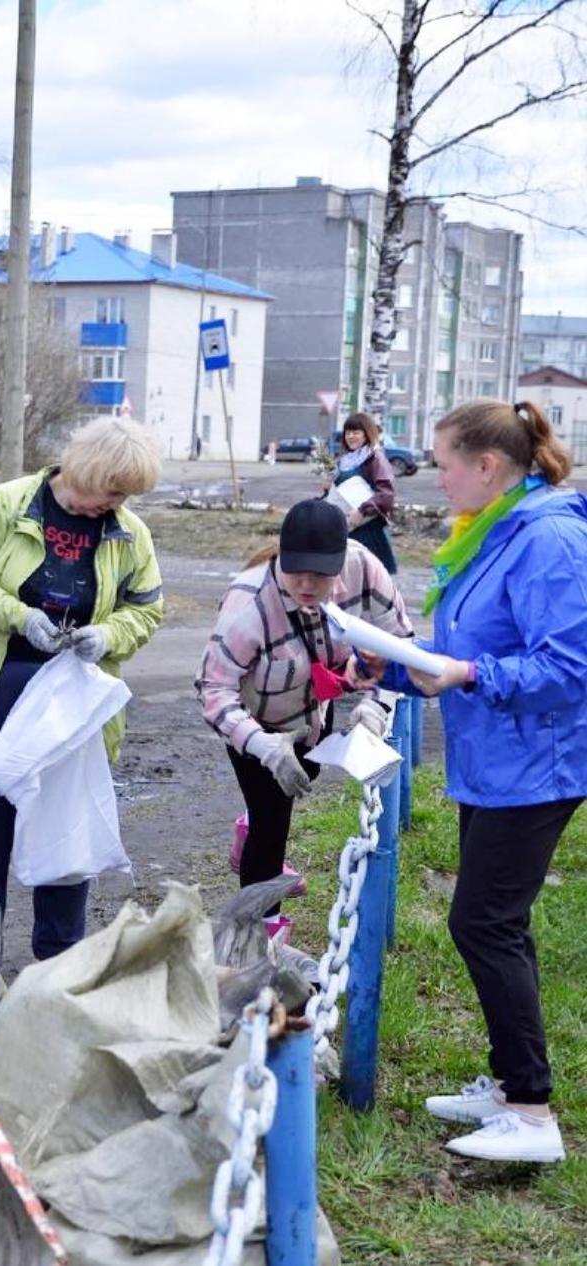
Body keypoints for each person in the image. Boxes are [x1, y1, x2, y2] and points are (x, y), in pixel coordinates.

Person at [359, 398, 586, 1164]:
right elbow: (472, 647)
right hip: (497, 759)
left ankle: (530, 1113)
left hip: (539, 765)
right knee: (492, 923)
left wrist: (466, 672)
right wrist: (394, 663)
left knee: (484, 924)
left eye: (445, 464)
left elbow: (567, 668)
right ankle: (510, 1083)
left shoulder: (548, 538)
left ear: (488, 466)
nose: (437, 480)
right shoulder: (494, 530)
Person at [0, 417, 165, 960]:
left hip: (74, 709)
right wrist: (18, 617)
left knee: (67, 840)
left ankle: (59, 967)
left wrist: (107, 634)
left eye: (126, 495)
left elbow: (148, 609)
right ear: (84, 470)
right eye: (112, 490)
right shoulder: (9, 504)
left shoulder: (130, 534)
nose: (115, 503)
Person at [196, 499, 411, 926]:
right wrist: (265, 748)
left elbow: (400, 646)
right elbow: (213, 690)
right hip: (258, 721)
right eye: (297, 571)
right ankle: (261, 934)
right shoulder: (248, 605)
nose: (308, 584)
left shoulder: (365, 570)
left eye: (321, 574)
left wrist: (376, 706)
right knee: (271, 821)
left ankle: (249, 827)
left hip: (315, 703)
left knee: (305, 778)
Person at [325, 412, 398, 573]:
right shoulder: (344, 460)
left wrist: (362, 510)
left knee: (368, 579)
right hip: (346, 528)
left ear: (367, 434)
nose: (351, 436)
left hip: (367, 530)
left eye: (356, 432)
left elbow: (386, 495)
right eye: (348, 432)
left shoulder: (375, 459)